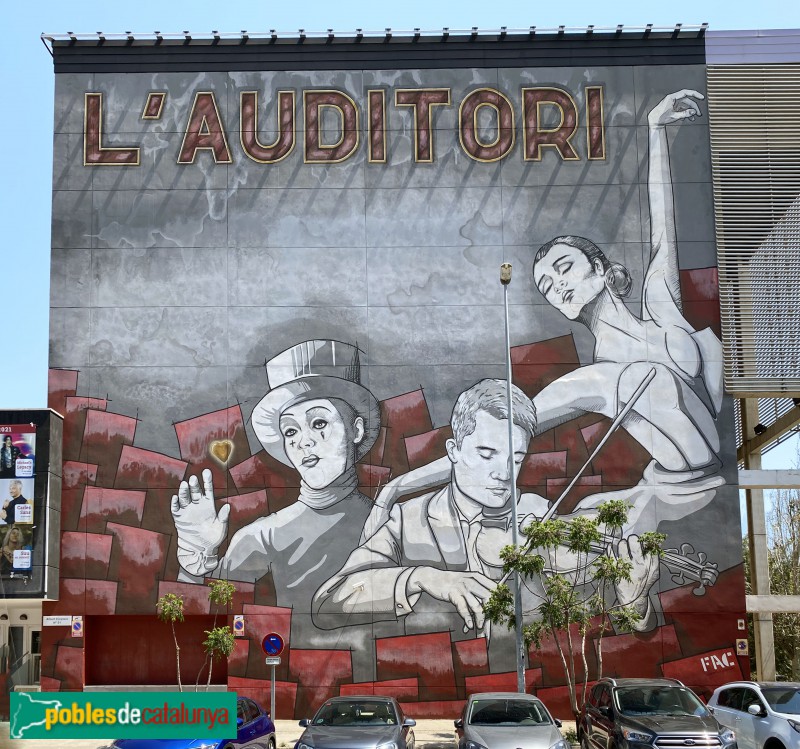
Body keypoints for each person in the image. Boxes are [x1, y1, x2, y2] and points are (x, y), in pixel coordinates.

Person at [365, 89, 724, 540]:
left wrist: (654, 128)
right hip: (684, 484)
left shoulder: (660, 306)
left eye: (564, 268)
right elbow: (496, 430)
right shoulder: (595, 378)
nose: (559, 287)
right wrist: (397, 486)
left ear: (602, 269)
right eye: (548, 287)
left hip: (702, 477)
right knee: (618, 382)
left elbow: (662, 224)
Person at [313, 379, 659, 655]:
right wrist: (424, 577)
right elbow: (329, 603)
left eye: (515, 458)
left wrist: (634, 603)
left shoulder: (538, 516)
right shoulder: (409, 520)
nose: (503, 473)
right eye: (487, 453)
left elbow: (587, 632)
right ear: (454, 452)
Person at [170, 340, 380, 651]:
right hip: (285, 680)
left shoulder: (393, 522)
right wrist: (195, 561)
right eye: (291, 431)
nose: (303, 442)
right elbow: (200, 633)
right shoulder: (261, 536)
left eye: (319, 423)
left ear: (356, 430)